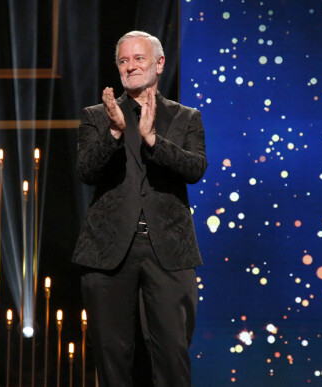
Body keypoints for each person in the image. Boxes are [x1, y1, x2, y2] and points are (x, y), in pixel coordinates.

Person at [72, 30, 207, 386]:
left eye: (139, 58)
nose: (130, 67)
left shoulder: (185, 117)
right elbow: (87, 170)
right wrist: (115, 133)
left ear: (159, 64)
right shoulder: (96, 116)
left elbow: (195, 169)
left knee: (173, 356)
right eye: (123, 61)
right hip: (108, 252)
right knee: (112, 355)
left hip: (168, 250)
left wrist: (152, 140)